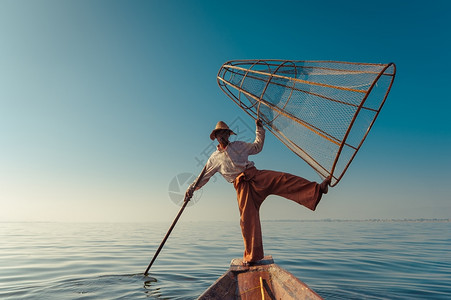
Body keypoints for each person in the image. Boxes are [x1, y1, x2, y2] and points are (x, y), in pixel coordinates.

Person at [186, 119, 331, 265]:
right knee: (247, 221)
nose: (222, 136)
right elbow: (203, 177)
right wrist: (191, 188)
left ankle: (317, 189)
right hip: (242, 186)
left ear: (229, 135)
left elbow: (257, 147)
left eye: (225, 133)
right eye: (219, 133)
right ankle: (252, 257)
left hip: (256, 175)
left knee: (283, 179)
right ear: (216, 137)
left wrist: (259, 129)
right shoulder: (213, 159)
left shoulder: (239, 145)